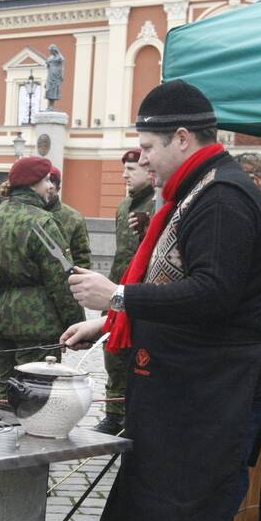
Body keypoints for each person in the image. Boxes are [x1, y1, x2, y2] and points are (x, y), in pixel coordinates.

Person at [62, 81, 261, 521]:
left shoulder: (222, 199)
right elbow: (177, 291)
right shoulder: (199, 189)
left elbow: (212, 294)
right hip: (195, 386)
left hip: (221, 391)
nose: (143, 160)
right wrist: (109, 324)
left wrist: (117, 299)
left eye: (149, 148)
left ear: (182, 138)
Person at [0, 156, 84, 402]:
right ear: (34, 183)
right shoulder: (42, 221)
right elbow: (62, 279)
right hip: (39, 322)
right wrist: (75, 325)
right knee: (36, 393)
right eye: (46, 180)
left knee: (4, 388)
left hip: (1, 318)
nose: (50, 186)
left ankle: (2, 434)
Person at [94, 149, 155, 435]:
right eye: (124, 169)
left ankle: (134, 414)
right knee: (113, 355)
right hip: (120, 287)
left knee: (138, 358)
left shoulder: (158, 204)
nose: (125, 175)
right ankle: (113, 413)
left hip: (143, 293)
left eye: (131, 169)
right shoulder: (123, 207)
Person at [45, 166, 92, 269]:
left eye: (52, 181)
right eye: (44, 181)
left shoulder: (74, 218)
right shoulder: (28, 214)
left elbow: (82, 259)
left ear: (58, 188)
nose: (48, 186)